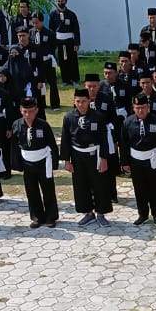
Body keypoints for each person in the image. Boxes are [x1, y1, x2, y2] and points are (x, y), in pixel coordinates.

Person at [60, 88, 114, 227]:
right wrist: (66, 160)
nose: (80, 104)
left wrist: (104, 158)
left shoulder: (98, 116)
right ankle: (88, 213)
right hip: (77, 156)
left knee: (99, 185)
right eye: (78, 101)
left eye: (84, 101)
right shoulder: (69, 117)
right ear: (74, 101)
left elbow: (103, 140)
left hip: (94, 155)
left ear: (89, 101)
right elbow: (66, 140)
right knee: (81, 186)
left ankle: (101, 213)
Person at [120, 93, 156, 226]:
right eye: (137, 108)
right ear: (133, 108)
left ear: (148, 107)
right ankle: (142, 214)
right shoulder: (128, 122)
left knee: (155, 189)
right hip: (136, 160)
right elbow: (124, 143)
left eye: (143, 107)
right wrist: (124, 162)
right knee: (139, 189)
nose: (140, 110)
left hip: (153, 159)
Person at [11, 97, 59, 228]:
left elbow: (52, 144)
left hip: (43, 161)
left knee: (48, 189)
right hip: (27, 162)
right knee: (31, 191)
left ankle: (50, 217)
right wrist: (17, 164)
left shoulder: (43, 125)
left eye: (31, 111)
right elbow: (15, 146)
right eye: (25, 111)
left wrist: (55, 162)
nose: (28, 114)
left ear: (36, 110)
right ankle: (37, 217)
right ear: (21, 110)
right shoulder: (16, 125)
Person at [48, 0, 81, 86]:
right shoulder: (53, 14)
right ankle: (65, 80)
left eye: (62, 1)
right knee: (62, 61)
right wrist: (52, 42)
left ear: (65, 1)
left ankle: (75, 79)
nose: (60, 2)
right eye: (58, 1)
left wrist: (76, 43)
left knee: (72, 60)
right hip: (59, 40)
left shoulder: (71, 14)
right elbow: (51, 29)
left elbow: (76, 29)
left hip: (70, 40)